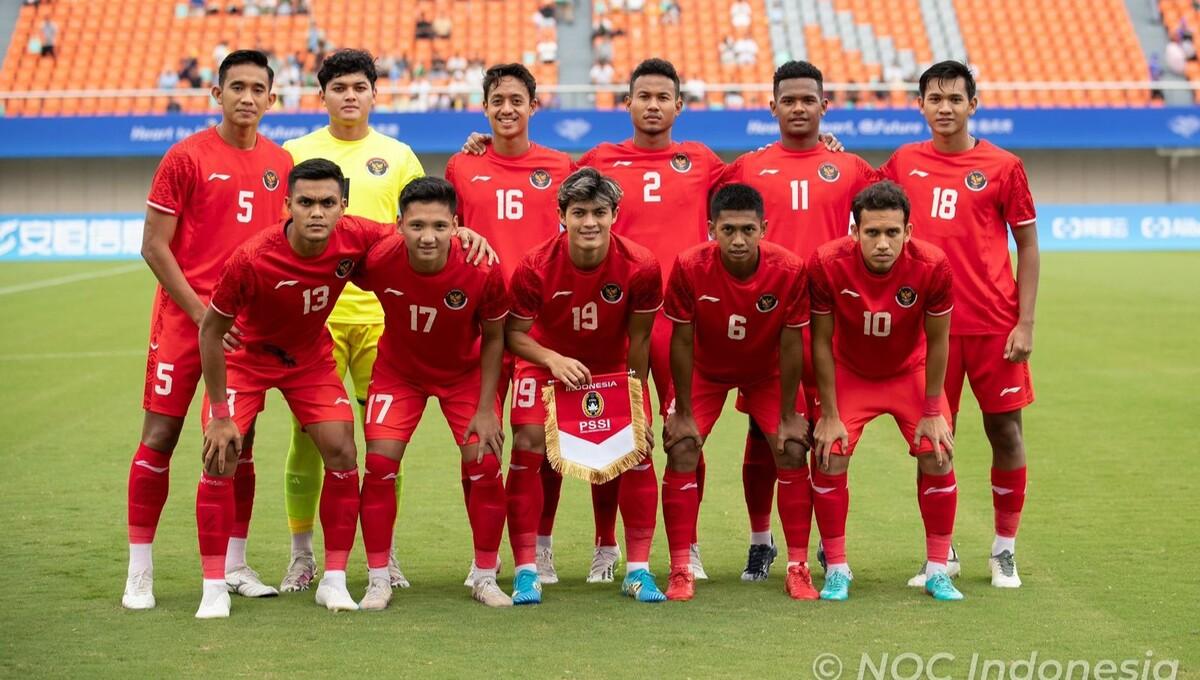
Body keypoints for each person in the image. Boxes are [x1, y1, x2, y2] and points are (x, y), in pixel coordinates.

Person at [122, 50, 293, 611]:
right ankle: (139, 571)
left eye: (257, 88)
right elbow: (153, 245)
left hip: (243, 330)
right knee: (160, 439)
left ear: (272, 97)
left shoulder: (281, 162)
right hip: (183, 319)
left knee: (236, 444)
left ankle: (237, 565)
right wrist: (202, 315)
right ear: (215, 94)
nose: (247, 97)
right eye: (236, 86)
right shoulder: (186, 156)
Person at [194, 159, 393, 618]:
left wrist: (464, 234)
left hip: (307, 360)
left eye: (327, 202)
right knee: (220, 454)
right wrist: (220, 414)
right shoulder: (252, 257)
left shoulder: (358, 235)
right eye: (306, 202)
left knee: (343, 448)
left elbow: (411, 234)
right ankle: (213, 585)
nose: (317, 212)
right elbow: (210, 331)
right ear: (287, 206)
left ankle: (334, 579)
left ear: (344, 206)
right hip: (247, 360)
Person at [718, 60, 879, 582]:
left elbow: (887, 218)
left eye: (808, 99)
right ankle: (762, 543)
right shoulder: (746, 167)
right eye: (788, 100)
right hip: (767, 323)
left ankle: (831, 551)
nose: (799, 108)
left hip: (832, 324)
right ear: (773, 107)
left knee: (829, 436)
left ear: (824, 106)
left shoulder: (852, 168)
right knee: (764, 434)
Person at [879, 61, 1038, 589]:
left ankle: (1004, 550)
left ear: (973, 103)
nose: (944, 107)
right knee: (934, 443)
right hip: (927, 330)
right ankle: (940, 556)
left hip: (993, 324)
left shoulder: (1003, 165)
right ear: (920, 105)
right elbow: (867, 205)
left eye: (954, 98)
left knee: (1005, 432)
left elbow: (1029, 245)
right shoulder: (903, 162)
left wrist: (1026, 322)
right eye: (934, 98)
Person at [279, 48, 425, 593]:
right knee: (309, 441)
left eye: (359, 87)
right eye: (339, 87)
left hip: (382, 323)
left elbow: (414, 230)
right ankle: (301, 555)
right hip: (313, 322)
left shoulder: (399, 154)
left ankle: (382, 557)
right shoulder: (294, 151)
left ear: (373, 93)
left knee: (387, 442)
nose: (350, 96)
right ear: (323, 96)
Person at [504, 167, 666, 605]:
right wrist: (553, 360)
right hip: (546, 364)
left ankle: (637, 570)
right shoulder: (535, 266)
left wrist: (632, 401)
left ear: (615, 214)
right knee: (529, 441)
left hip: (613, 368)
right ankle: (526, 569)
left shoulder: (642, 265)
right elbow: (514, 335)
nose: (589, 222)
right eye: (579, 212)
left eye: (599, 212)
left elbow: (641, 339)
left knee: (636, 447)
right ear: (562, 215)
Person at [352, 177, 512, 609]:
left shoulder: (482, 265)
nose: (428, 237)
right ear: (399, 224)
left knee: (486, 460)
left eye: (440, 226)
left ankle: (484, 575)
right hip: (399, 373)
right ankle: (378, 578)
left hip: (464, 374)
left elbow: (496, 337)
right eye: (417, 225)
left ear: (456, 226)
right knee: (380, 463)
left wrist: (486, 408)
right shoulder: (378, 260)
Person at [445, 63, 575, 586]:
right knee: (478, 441)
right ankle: (487, 552)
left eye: (516, 100)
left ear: (533, 106)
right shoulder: (461, 165)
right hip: (477, 324)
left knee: (539, 443)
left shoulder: (562, 165)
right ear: (484, 108)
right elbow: (446, 230)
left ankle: (538, 548)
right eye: (497, 100)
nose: (506, 109)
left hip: (539, 325)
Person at [808, 180, 962, 602]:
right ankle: (837, 569)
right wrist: (829, 412)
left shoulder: (933, 265)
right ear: (853, 232)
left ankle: (937, 570)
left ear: (908, 233)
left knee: (937, 451)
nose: (882, 243)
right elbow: (820, 341)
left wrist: (933, 408)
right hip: (850, 372)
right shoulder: (825, 262)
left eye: (892, 233)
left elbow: (939, 341)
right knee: (829, 454)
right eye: (872, 232)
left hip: (907, 372)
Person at [661, 184, 815, 601]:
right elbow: (681, 340)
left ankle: (798, 567)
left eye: (748, 229)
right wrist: (685, 411)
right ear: (711, 228)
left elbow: (790, 343)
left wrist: (787, 414)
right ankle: (680, 568)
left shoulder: (789, 268)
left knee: (793, 448)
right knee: (682, 445)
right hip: (705, 370)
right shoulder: (689, 266)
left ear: (764, 228)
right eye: (728, 230)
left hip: (766, 372)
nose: (739, 240)